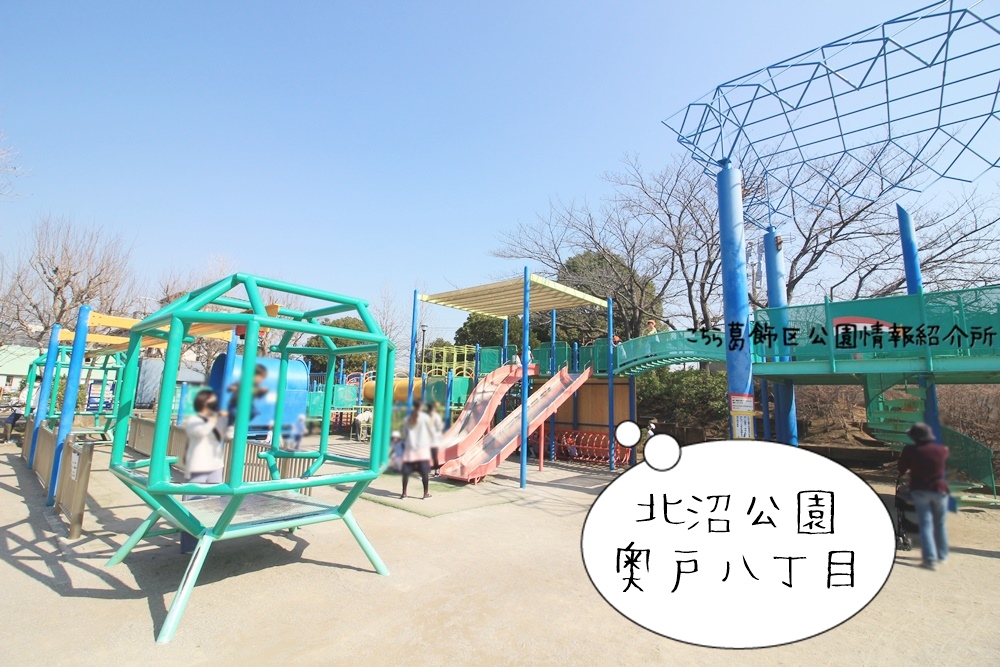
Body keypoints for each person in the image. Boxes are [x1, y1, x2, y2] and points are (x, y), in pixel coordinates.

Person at [897, 422, 950, 570]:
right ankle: (942, 554)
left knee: (926, 524)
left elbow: (901, 468)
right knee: (940, 524)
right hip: (940, 490)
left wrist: (906, 471)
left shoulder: (910, 450)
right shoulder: (942, 450)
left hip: (921, 490)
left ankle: (930, 559)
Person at [181, 389, 226, 554]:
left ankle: (209, 540)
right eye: (210, 402)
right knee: (193, 504)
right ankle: (189, 545)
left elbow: (228, 433)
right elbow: (201, 433)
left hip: (215, 464)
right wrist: (215, 420)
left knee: (213, 504)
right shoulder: (194, 419)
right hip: (198, 466)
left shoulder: (216, 420)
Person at [224, 364, 269, 439]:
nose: (261, 380)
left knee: (254, 412)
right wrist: (233, 388)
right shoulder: (243, 382)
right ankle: (230, 426)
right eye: (260, 378)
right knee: (233, 413)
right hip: (236, 403)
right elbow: (230, 388)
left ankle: (241, 424)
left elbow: (258, 396)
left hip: (248, 405)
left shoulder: (256, 386)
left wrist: (263, 392)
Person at [400, 401, 433, 499]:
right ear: (421, 407)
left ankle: (404, 493)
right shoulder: (426, 418)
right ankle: (425, 494)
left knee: (406, 472)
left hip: (410, 448)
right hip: (422, 449)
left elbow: (404, 434)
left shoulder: (407, 418)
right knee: (424, 472)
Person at [425, 401, 444, 476]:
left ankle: (436, 470)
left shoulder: (436, 416)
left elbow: (439, 427)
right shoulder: (427, 416)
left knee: (434, 456)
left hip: (434, 439)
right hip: (428, 439)